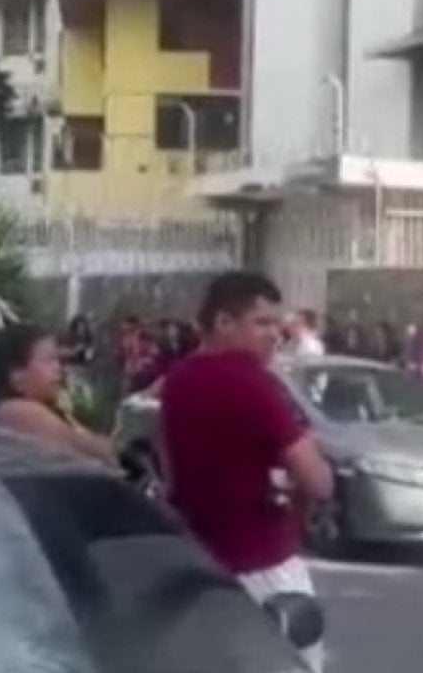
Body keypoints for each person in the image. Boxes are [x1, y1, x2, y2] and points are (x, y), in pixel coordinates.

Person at [160, 271, 333, 672]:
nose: (274, 335)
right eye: (262, 323)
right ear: (223, 322)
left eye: (277, 324)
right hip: (266, 568)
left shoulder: (176, 380)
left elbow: (171, 472)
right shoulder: (252, 383)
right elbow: (318, 482)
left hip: (202, 565)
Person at [0, 323, 116, 468]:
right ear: (17, 375)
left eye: (58, 360)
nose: (59, 368)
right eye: (49, 360)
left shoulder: (43, 407)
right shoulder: (15, 411)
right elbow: (91, 450)